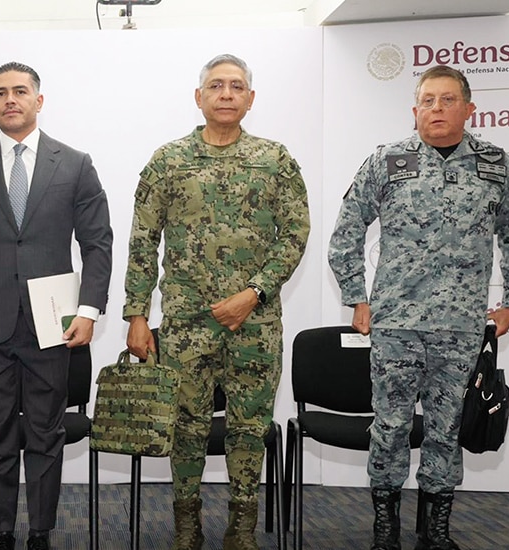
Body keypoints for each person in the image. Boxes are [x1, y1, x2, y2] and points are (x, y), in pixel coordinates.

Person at [328, 64, 509, 550]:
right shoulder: (388, 161)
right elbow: (346, 231)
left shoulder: (494, 164)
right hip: (396, 324)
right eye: (428, 100)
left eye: (447, 100)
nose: (437, 109)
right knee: (392, 425)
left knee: (446, 429)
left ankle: (436, 528)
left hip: (462, 326)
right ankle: (386, 526)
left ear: (468, 109)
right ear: (415, 109)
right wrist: (356, 295)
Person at [124, 54, 310, 550]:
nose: (226, 93)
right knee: (185, 428)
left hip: (256, 323)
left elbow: (295, 234)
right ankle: (187, 526)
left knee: (249, 430)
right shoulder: (168, 160)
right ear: (199, 97)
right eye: (216, 85)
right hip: (186, 324)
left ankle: (241, 529)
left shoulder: (275, 160)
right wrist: (137, 315)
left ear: (250, 98)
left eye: (236, 86)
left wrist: (254, 294)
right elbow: (144, 239)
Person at [0, 61, 113, 550]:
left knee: (46, 433)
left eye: (19, 91)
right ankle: (3, 531)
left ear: (38, 99)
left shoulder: (74, 164)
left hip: (53, 323)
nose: (9, 100)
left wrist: (90, 310)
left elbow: (97, 244)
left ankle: (41, 532)